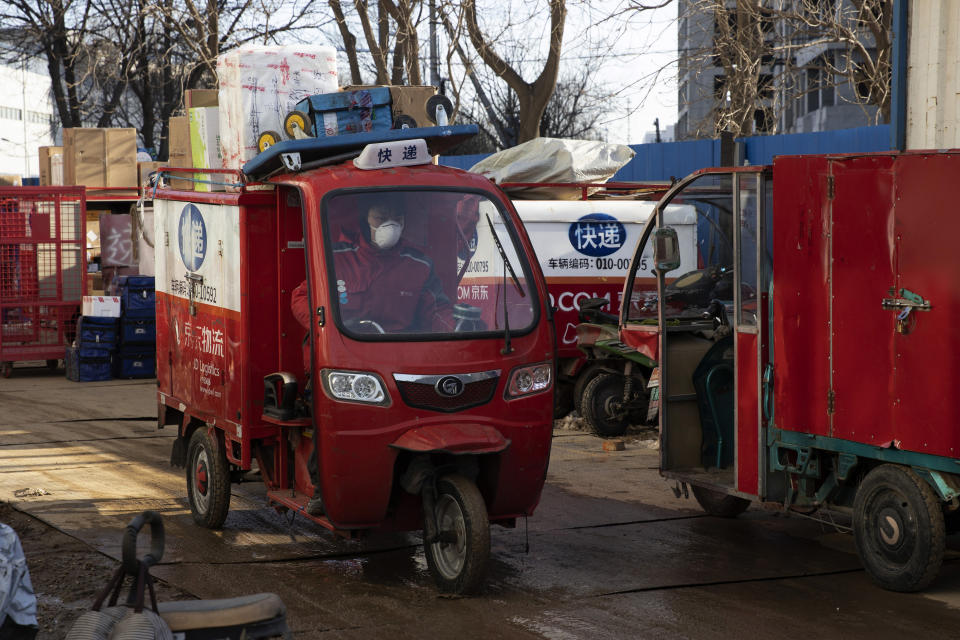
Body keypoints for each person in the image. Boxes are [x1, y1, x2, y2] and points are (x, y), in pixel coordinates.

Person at [290, 201, 453, 515]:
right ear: (366, 219)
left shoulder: (418, 263)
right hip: (342, 364)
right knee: (333, 419)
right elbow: (301, 297)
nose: (389, 224)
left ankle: (417, 470)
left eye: (397, 216)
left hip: (401, 364)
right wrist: (327, 327)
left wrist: (454, 330)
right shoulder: (336, 256)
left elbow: (438, 309)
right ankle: (324, 489)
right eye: (382, 216)